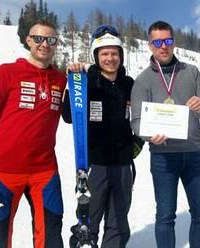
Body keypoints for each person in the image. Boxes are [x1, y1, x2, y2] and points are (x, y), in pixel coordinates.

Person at [0, 19, 66, 248]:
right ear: (28, 40)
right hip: (3, 172)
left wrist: (82, 73)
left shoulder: (60, 79)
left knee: (51, 238)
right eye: (38, 38)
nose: (44, 44)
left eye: (50, 40)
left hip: (44, 172)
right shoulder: (7, 73)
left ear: (56, 44)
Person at [130, 20, 200, 248]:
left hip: (194, 154)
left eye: (167, 41)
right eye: (157, 42)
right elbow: (136, 121)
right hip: (163, 157)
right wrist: (148, 136)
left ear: (173, 42)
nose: (163, 46)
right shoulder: (142, 80)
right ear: (149, 45)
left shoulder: (191, 72)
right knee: (165, 216)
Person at [62, 24, 141, 248]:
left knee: (118, 222)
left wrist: (138, 141)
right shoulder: (87, 81)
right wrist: (74, 84)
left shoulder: (129, 84)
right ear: (96, 56)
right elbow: (68, 116)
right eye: (104, 54)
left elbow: (142, 115)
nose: (110, 58)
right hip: (94, 164)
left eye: (114, 53)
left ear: (121, 56)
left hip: (123, 164)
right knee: (88, 220)